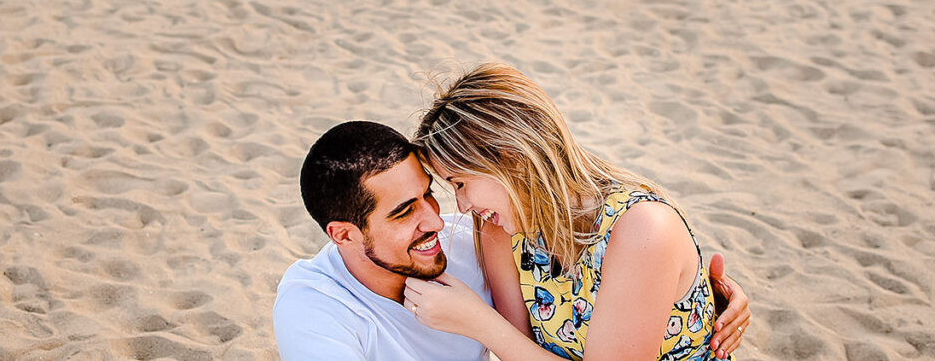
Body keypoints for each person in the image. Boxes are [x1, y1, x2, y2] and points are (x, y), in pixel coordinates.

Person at [274, 120, 749, 359]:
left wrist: (700, 297)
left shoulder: (479, 236)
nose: (438, 221)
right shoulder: (314, 308)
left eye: (430, 195)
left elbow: (612, 266)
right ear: (343, 234)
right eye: (404, 212)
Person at [406, 63, 751, 360]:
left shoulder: (642, 228)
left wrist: (478, 322)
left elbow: (506, 342)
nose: (462, 206)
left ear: (512, 157)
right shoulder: (499, 230)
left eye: (460, 183)